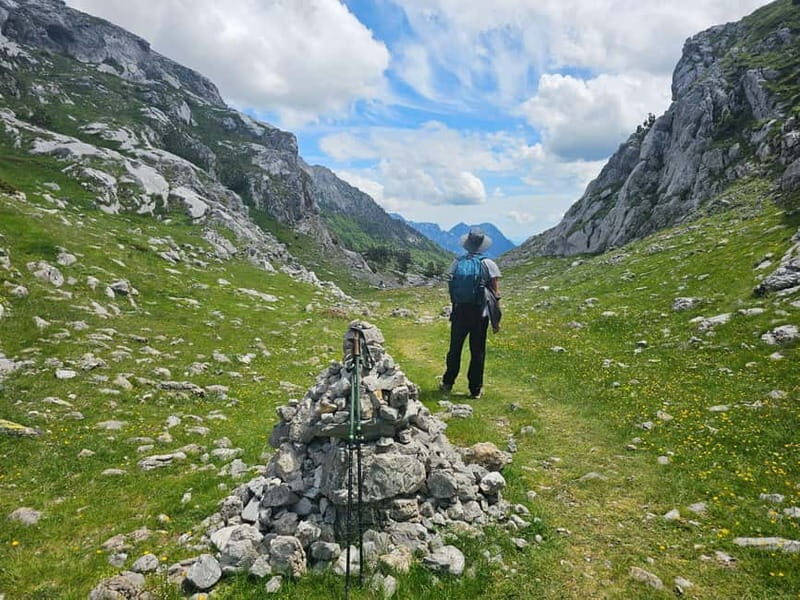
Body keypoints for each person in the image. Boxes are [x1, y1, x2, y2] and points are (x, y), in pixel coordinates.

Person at [440, 227, 501, 399]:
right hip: (479, 314)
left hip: (459, 312)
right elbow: (496, 295)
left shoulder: (457, 262)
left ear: (467, 244)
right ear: (482, 245)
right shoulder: (488, 264)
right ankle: (475, 389)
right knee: (477, 352)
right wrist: (496, 322)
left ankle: (447, 382)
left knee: (455, 349)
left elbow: (451, 285)